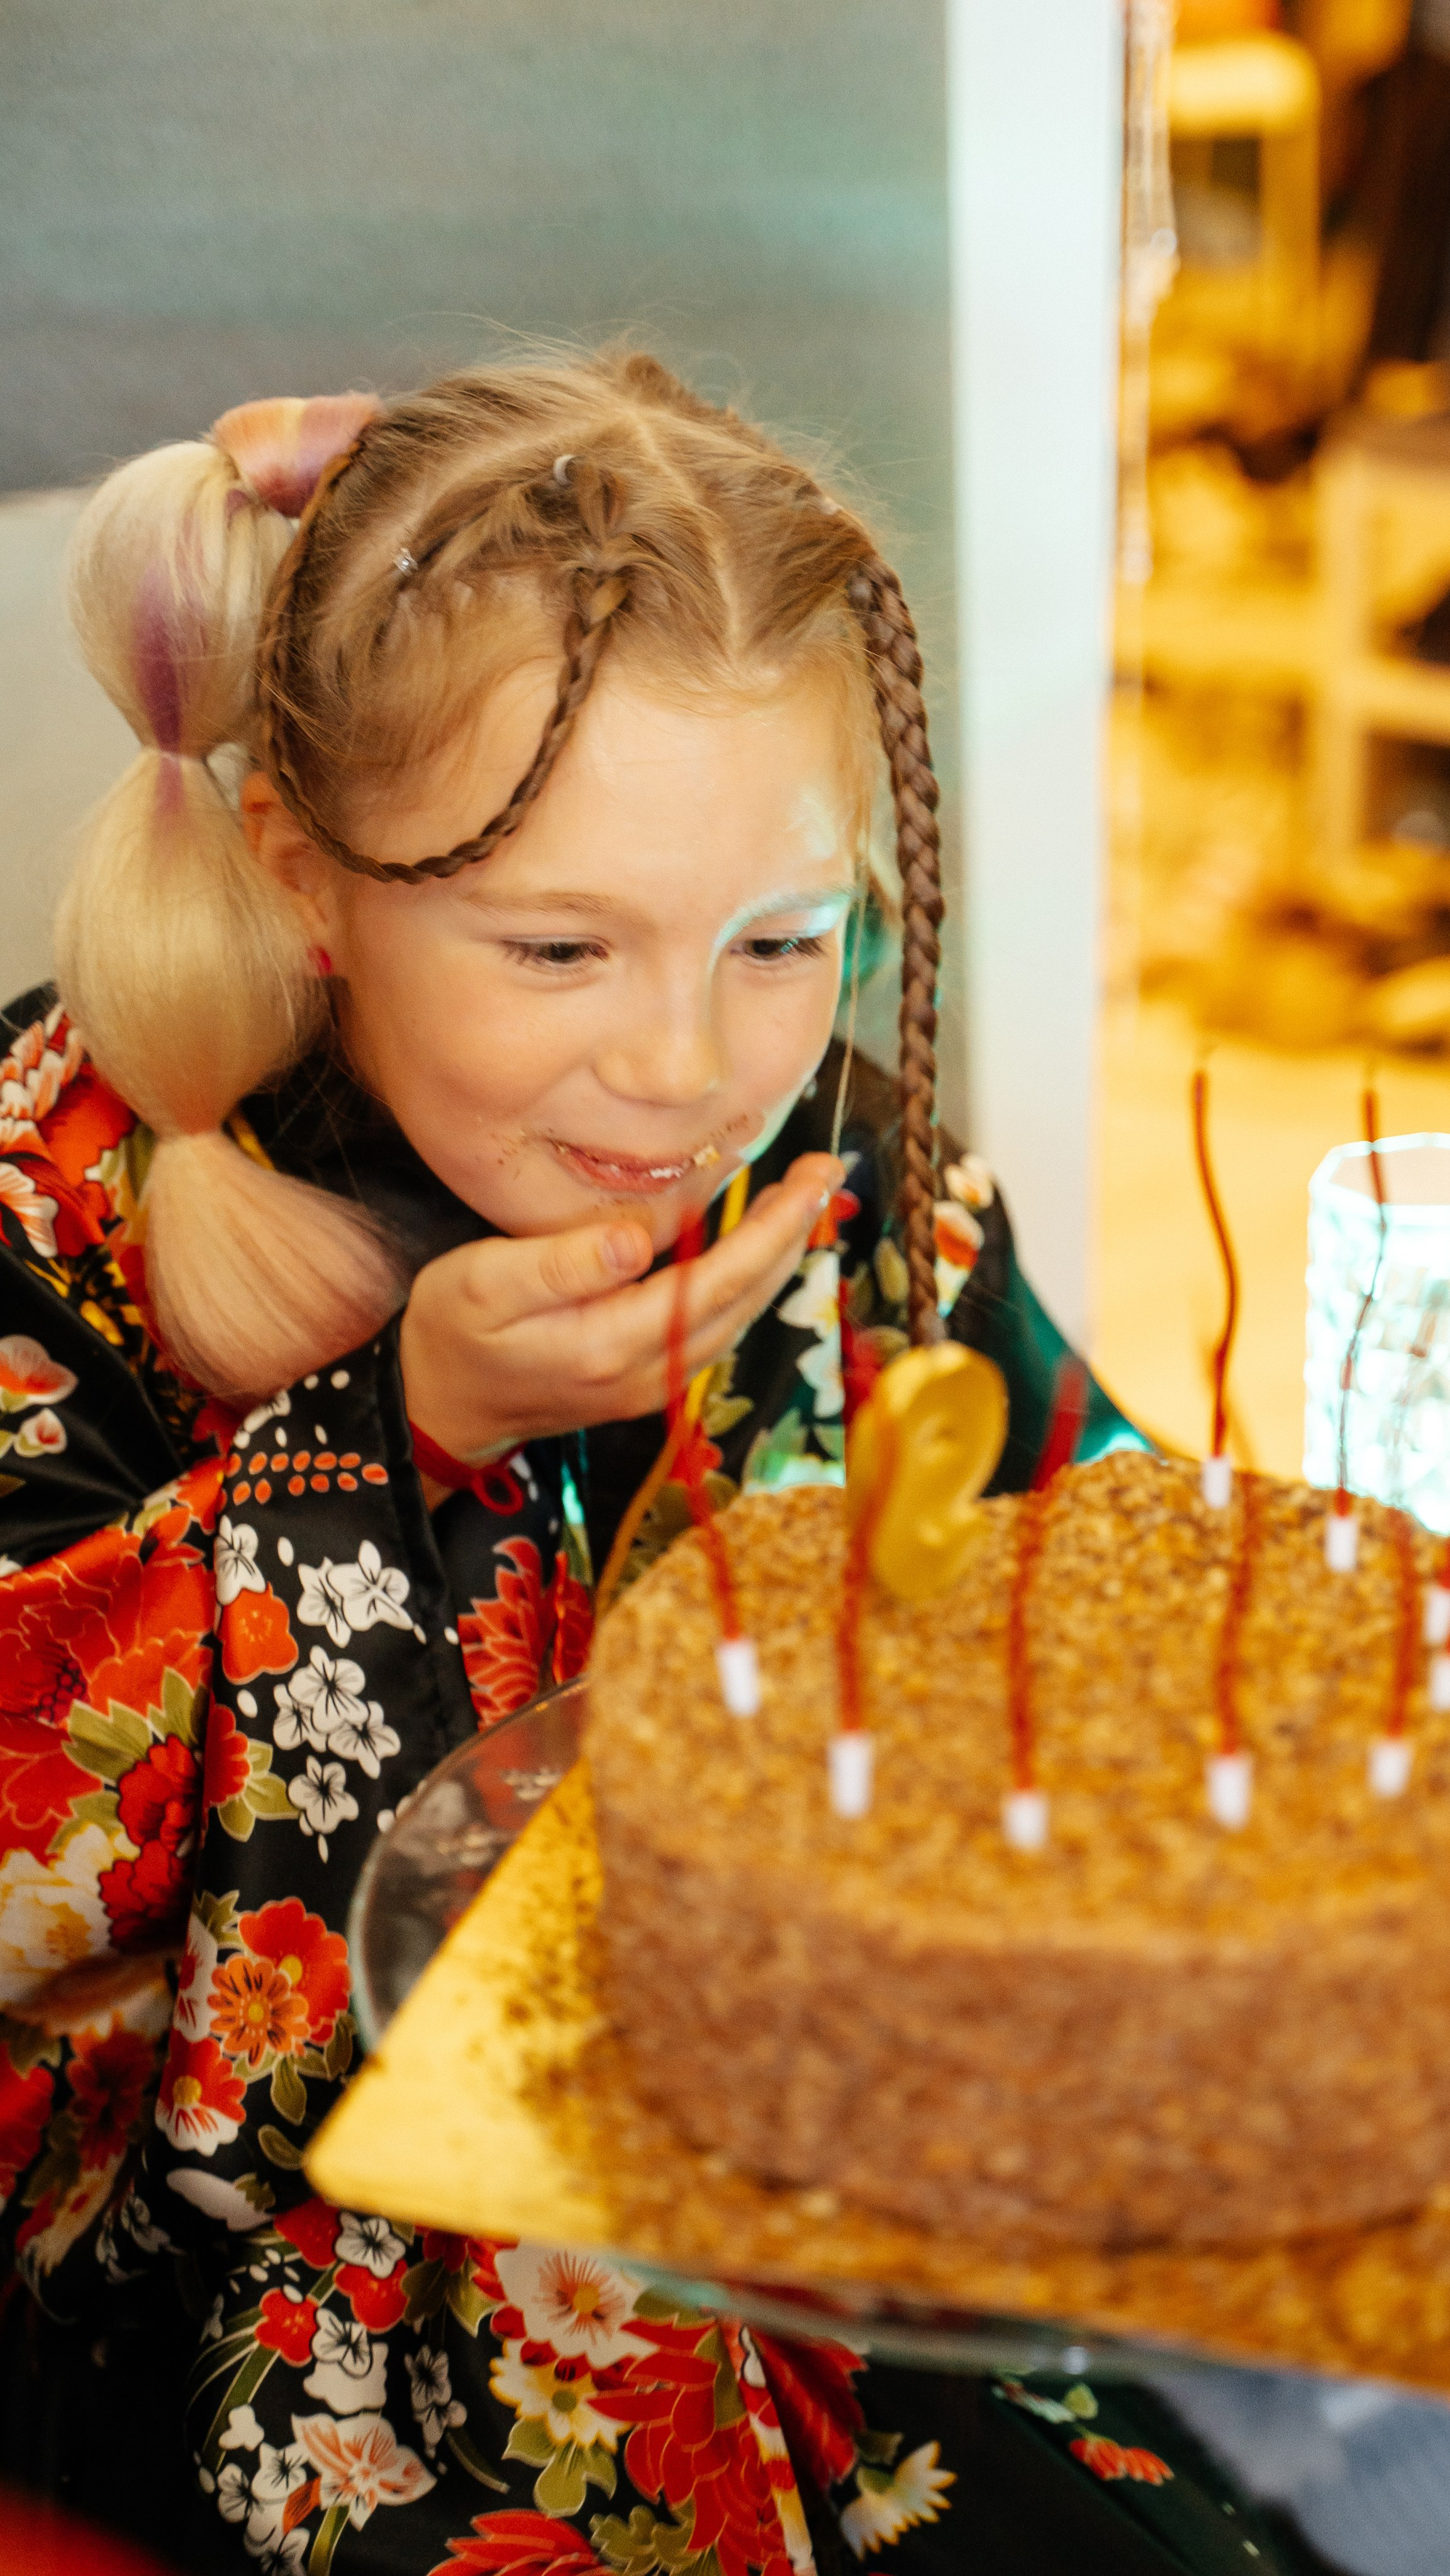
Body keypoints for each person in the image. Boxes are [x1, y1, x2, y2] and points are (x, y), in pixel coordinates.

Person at [0, 352, 1299, 2576]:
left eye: (780, 943)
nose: (689, 1063)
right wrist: (388, 1445)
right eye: (556, 946)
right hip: (254, 2218)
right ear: (309, 881)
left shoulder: (826, 1173)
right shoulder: (56, 1208)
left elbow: (1112, 1589)